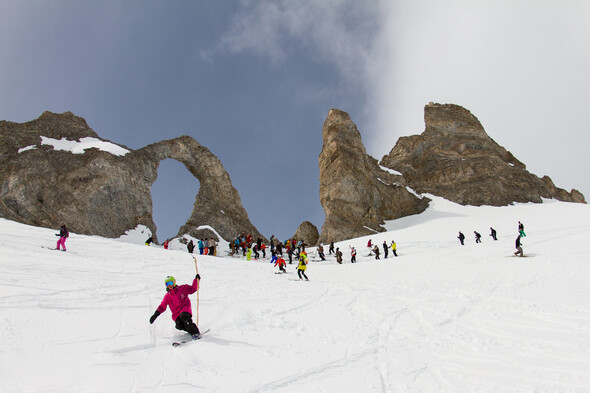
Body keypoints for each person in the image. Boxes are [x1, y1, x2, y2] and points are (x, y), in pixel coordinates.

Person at [149, 274, 201, 339]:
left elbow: (193, 288)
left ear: (174, 282)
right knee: (179, 325)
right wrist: (155, 315)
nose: (169, 285)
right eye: (167, 284)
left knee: (184, 316)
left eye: (171, 283)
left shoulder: (183, 289)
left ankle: (195, 332)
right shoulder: (167, 296)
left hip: (185, 309)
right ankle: (190, 329)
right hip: (176, 314)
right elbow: (162, 306)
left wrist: (196, 280)